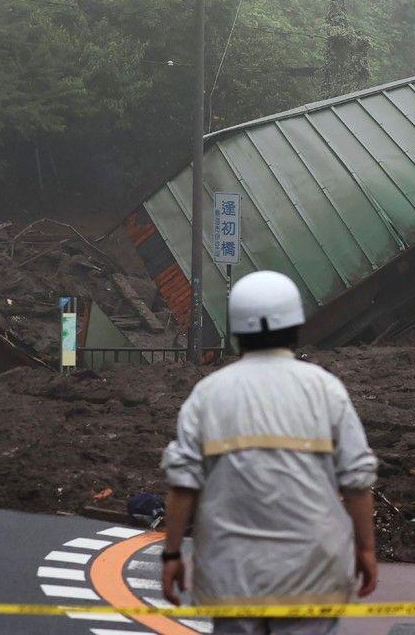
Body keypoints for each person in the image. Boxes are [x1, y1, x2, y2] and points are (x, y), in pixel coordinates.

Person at [160, 270, 379, 635]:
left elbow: (183, 484)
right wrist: (366, 550)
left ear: (237, 332)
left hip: (231, 577)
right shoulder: (325, 390)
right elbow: (357, 481)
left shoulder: (208, 394)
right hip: (313, 573)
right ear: (295, 327)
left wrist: (171, 555)